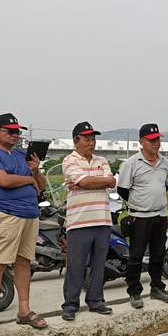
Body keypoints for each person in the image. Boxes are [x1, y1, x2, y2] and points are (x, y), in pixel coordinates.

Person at [0, 113, 48, 336]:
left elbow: (41, 187)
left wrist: (35, 171)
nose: (15, 135)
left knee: (24, 262)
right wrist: (28, 179)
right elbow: (4, 181)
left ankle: (24, 309)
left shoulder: (21, 156)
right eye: (10, 131)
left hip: (29, 213)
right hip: (6, 214)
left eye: (18, 131)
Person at [61, 122, 116, 320]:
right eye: (87, 139)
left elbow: (111, 181)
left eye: (93, 139)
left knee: (99, 264)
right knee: (76, 264)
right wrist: (94, 181)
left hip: (102, 220)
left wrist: (86, 182)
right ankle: (70, 304)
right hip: (79, 222)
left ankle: (96, 300)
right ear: (76, 141)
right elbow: (85, 181)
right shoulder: (69, 160)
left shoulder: (102, 160)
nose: (91, 143)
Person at [117, 123, 168, 308]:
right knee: (136, 255)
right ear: (141, 142)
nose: (156, 143)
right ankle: (134, 292)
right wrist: (140, 204)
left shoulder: (165, 163)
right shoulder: (131, 163)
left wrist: (154, 201)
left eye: (158, 139)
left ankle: (157, 287)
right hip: (139, 217)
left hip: (160, 215)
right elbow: (122, 190)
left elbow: (165, 187)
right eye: (151, 140)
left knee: (158, 254)